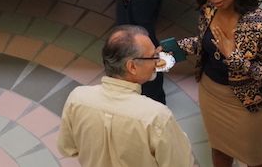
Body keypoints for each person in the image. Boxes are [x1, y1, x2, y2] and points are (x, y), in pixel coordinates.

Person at [176, 0, 262, 167]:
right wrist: (173, 48)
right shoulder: (209, 10)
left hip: (244, 103)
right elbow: (203, 43)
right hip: (210, 94)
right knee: (219, 150)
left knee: (256, 160)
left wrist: (234, 57)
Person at [57, 25, 193, 167]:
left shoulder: (77, 98)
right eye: (153, 56)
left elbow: (67, 148)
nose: (157, 62)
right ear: (132, 67)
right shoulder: (157, 116)